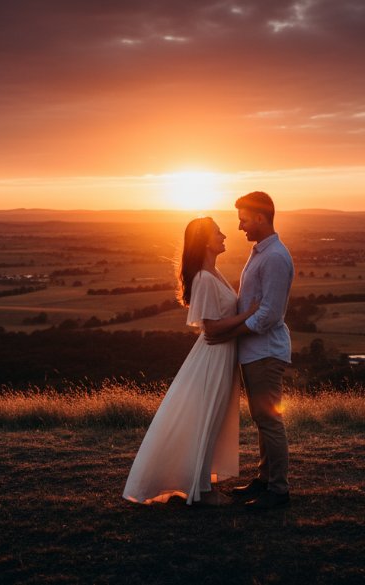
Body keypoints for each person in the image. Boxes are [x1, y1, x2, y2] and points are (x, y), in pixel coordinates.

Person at [123, 217, 258, 506]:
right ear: (205, 241)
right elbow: (211, 328)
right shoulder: (204, 278)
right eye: (218, 232)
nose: (224, 236)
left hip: (222, 355)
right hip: (213, 357)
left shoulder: (213, 273)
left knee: (212, 419)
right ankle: (202, 492)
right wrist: (249, 314)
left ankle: (200, 482)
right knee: (207, 419)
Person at [206, 191, 294, 510]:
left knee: (269, 420)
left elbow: (269, 314)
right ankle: (264, 479)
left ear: (260, 217)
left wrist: (230, 332)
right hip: (255, 351)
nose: (239, 226)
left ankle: (278, 490)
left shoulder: (275, 257)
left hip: (265, 352)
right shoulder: (261, 252)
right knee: (262, 418)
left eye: (243, 219)